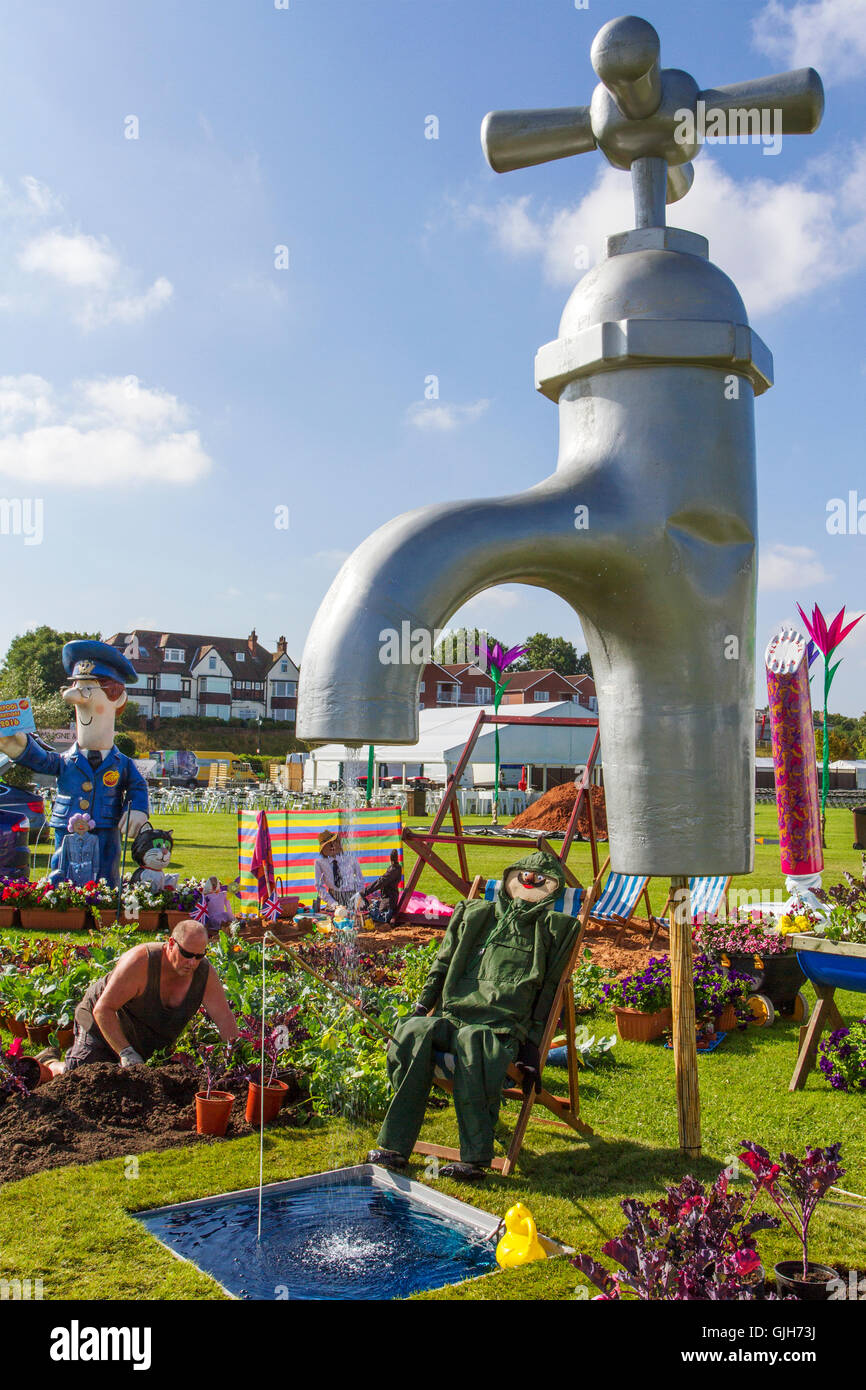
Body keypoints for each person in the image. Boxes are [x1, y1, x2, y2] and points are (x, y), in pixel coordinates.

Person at [367, 849, 581, 1181]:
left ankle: (475, 1158)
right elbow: (442, 963)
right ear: (512, 878)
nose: (531, 883)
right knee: (412, 1031)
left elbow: (550, 992)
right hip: (452, 1016)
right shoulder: (475, 913)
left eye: (541, 881)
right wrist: (423, 1007)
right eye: (524, 876)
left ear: (553, 888)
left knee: (474, 1041)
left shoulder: (555, 928)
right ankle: (394, 1147)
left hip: (500, 1031)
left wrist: (532, 1048)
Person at [0, 640, 149, 887]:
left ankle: (103, 902)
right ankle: (62, 901)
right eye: (77, 689)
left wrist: (137, 808)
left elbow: (137, 786)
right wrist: (20, 746)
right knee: (62, 868)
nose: (78, 699)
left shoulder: (121, 763)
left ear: (118, 697)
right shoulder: (67, 760)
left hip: (104, 827)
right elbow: (44, 761)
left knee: (105, 872)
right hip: (66, 827)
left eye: (88, 690)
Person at [38, 920, 239, 1076]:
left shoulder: (204, 974)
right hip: (99, 1024)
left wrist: (236, 1056)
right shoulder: (141, 962)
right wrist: (126, 1053)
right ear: (171, 944)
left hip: (142, 1034)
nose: (192, 962)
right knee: (81, 1075)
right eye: (186, 954)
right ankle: (50, 1063)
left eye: (199, 956)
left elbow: (223, 1017)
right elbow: (103, 1010)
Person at [314, 829, 366, 910]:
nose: (332, 847)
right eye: (328, 845)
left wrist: (358, 895)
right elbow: (318, 886)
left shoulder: (350, 859)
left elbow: (360, 880)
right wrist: (332, 902)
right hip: (334, 898)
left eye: (333, 843)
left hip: (353, 896)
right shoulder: (320, 863)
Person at [50, 813, 101, 886]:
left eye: (83, 824)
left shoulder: (94, 839)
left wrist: (95, 870)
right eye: (77, 824)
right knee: (72, 887)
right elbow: (63, 855)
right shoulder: (67, 838)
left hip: (87, 871)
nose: (81, 826)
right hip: (72, 870)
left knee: (87, 888)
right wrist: (62, 870)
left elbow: (96, 855)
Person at [362, 849, 402, 925]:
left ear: (391, 860)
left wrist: (364, 892)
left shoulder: (393, 871)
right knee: (372, 905)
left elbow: (380, 882)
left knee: (370, 916)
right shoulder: (397, 868)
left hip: (388, 904)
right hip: (389, 901)